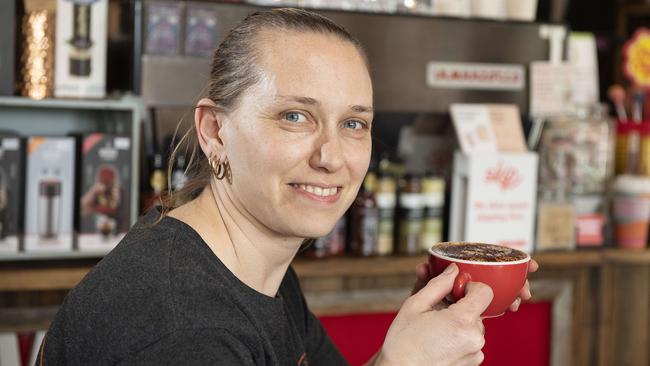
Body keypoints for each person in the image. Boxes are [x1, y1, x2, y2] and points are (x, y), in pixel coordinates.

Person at [36, 8, 537, 366]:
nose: (331, 157)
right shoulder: (181, 328)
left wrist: (415, 335)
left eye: (354, 124)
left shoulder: (255, 262)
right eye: (295, 116)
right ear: (215, 131)